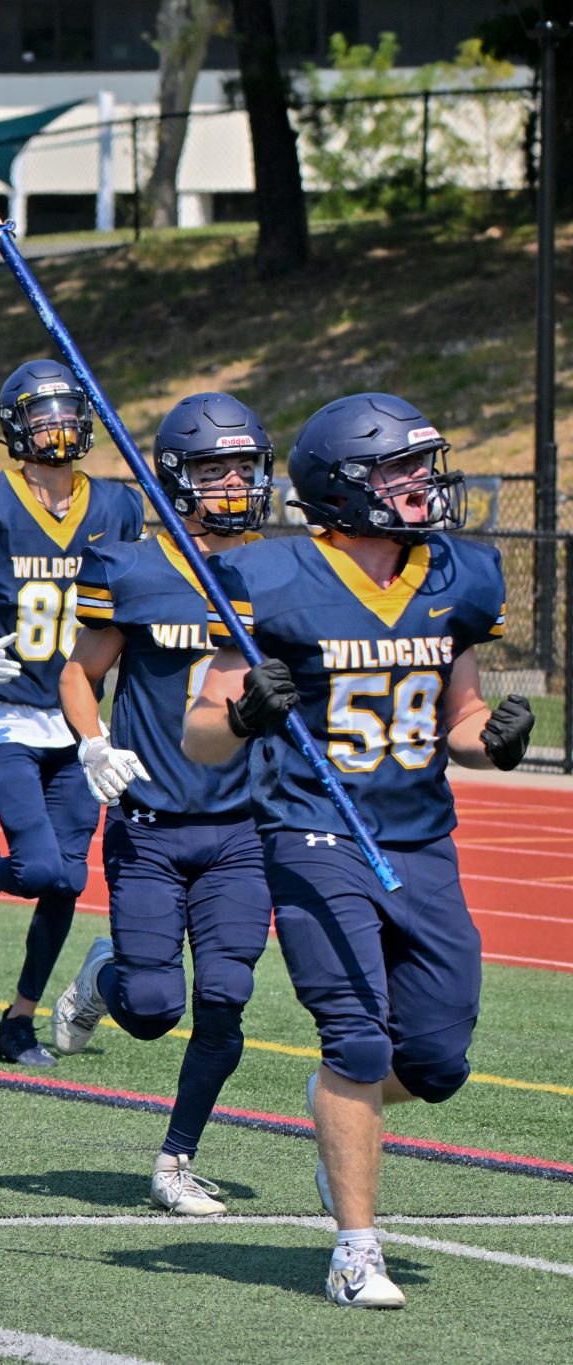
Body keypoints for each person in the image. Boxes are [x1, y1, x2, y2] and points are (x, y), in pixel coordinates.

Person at [182, 392, 530, 1309]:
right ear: (343, 488)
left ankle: (343, 1109)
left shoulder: (456, 573)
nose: (422, 483)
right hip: (314, 829)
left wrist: (492, 739)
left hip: (420, 836)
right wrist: (244, 715)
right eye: (399, 469)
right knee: (358, 1037)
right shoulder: (272, 576)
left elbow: (459, 716)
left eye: (422, 464)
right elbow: (200, 734)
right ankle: (355, 1249)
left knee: (439, 1059)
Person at [45, 393, 278, 1215]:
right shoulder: (133, 568)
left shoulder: (283, 574)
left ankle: (176, 1159)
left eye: (245, 468)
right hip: (148, 825)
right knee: (151, 1009)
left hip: (242, 830)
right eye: (216, 469)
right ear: (177, 478)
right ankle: (102, 976)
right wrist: (92, 741)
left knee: (225, 996)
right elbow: (80, 671)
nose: (235, 484)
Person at [0, 359, 145, 1067]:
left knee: (69, 879)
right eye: (43, 416)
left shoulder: (117, 506)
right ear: (16, 427)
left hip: (79, 717)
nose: (59, 427)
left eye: (68, 412)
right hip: (8, 709)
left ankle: (19, 1018)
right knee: (44, 868)